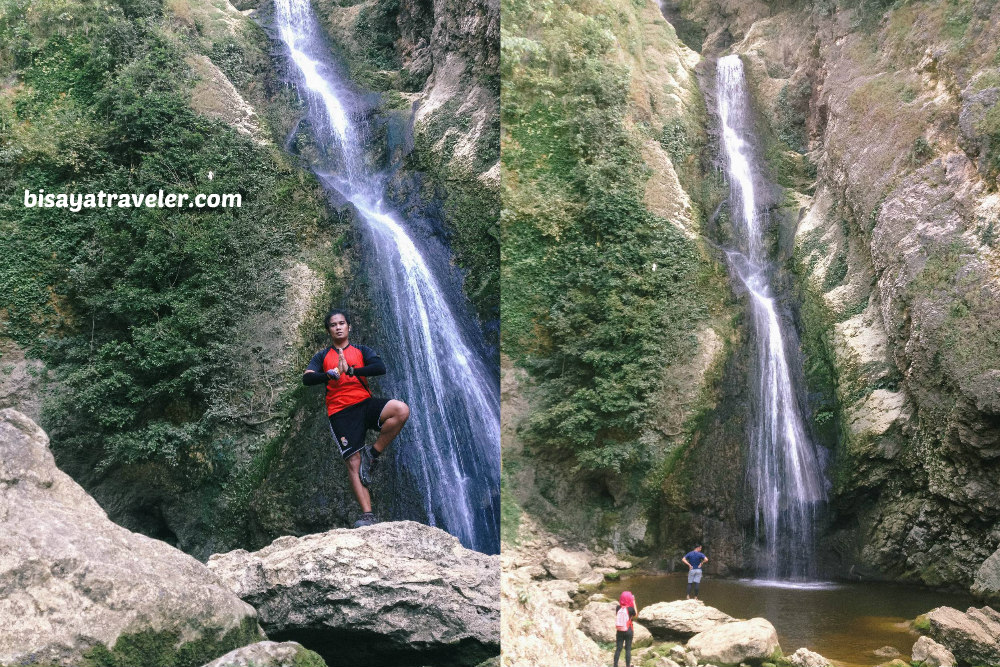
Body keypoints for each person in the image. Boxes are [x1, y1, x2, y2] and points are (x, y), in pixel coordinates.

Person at [302, 309, 410, 528]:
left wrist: (351, 370)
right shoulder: (322, 356)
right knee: (353, 462)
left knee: (401, 410)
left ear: (349, 327)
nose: (338, 327)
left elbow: (379, 367)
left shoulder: (361, 350)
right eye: (333, 325)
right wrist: (329, 374)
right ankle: (368, 515)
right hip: (341, 412)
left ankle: (373, 452)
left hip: (365, 404)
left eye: (342, 323)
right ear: (329, 330)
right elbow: (307, 378)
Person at [614, 590, 637, 667]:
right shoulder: (630, 609)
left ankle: (615, 665)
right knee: (628, 649)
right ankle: (627, 665)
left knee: (618, 649)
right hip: (628, 630)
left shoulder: (618, 608)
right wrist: (633, 601)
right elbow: (636, 614)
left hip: (619, 630)